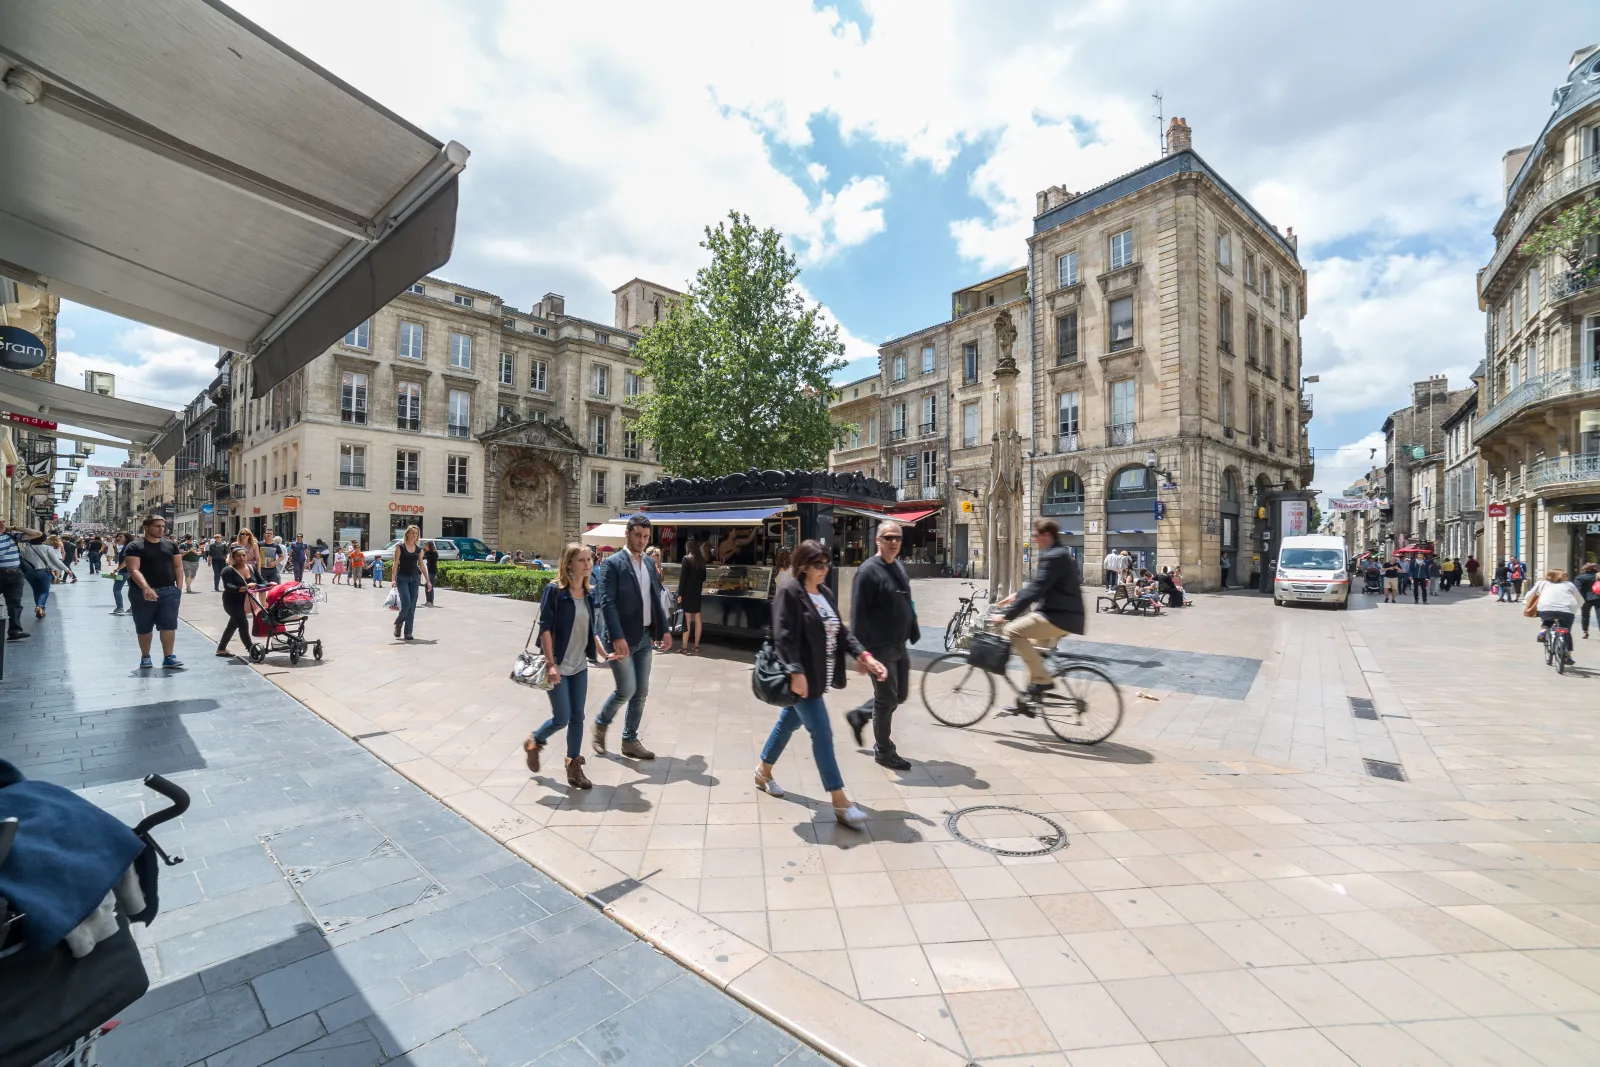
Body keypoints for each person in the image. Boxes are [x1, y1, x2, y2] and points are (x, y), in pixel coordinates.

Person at [754, 539, 887, 830]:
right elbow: (783, 635)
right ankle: (840, 801)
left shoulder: (824, 592)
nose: (825, 568)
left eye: (828, 562)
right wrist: (794, 671)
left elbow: (841, 632)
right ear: (802, 565)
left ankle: (763, 772)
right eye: (819, 564)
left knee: (788, 722)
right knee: (823, 733)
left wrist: (865, 655)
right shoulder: (791, 591)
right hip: (802, 681)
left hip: (818, 678)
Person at [526, 543, 613, 788]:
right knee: (562, 717)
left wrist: (605, 653)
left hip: (579, 667)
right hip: (558, 665)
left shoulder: (588, 593)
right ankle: (535, 740)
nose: (588, 563)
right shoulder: (554, 591)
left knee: (578, 717)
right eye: (582, 559)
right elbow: (545, 629)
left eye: (590, 559)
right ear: (569, 564)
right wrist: (551, 664)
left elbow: (590, 631)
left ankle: (574, 766)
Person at [593, 514, 672, 760]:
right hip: (621, 639)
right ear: (627, 534)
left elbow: (655, 599)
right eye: (638, 535)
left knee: (642, 691)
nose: (642, 540)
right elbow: (607, 603)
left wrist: (665, 629)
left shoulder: (649, 563)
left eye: (646, 536)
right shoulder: (612, 564)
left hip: (644, 637)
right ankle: (601, 724)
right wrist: (616, 636)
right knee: (626, 690)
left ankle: (629, 740)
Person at [845, 521, 920, 770]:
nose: (893, 542)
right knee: (887, 699)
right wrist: (862, 654)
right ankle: (884, 751)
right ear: (878, 540)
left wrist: (913, 628)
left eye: (897, 538)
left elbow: (907, 601)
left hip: (899, 645)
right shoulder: (867, 571)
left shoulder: (898, 566)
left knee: (899, 695)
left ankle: (859, 715)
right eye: (888, 537)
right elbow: (857, 614)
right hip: (879, 647)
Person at [990, 519, 1086, 709]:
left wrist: (1006, 616)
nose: (1034, 540)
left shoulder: (1053, 556)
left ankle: (1042, 681)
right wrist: (1016, 595)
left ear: (1046, 535)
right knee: (1032, 652)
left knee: (1012, 631)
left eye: (1036, 536)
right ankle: (1029, 699)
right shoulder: (1058, 553)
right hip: (1063, 614)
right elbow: (1041, 585)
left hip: (1058, 617)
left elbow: (1037, 589)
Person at [124, 515, 184, 669]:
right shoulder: (135, 546)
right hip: (141, 593)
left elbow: (178, 566)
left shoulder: (171, 545)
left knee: (169, 625)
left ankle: (168, 656)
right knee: (144, 625)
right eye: (157, 526)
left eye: (163, 526)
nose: (161, 529)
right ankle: (145, 656)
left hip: (169, 591)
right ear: (146, 527)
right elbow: (133, 569)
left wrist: (179, 588)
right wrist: (145, 587)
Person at [1530, 568, 1581, 666]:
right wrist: (1578, 606)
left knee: (1548, 620)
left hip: (1546, 609)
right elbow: (1579, 598)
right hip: (1567, 610)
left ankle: (1543, 631)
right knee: (1566, 631)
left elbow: (1531, 594)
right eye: (1565, 575)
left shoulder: (1543, 584)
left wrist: (1525, 604)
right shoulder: (1569, 585)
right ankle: (1567, 655)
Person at [0, 518, 40, 641]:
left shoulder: (12, 536)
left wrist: (14, 528)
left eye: (2, 522)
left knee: (15, 604)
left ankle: (15, 631)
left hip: (15, 574)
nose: (2, 524)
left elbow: (37, 534)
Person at [216, 547, 259, 659]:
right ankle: (250, 648)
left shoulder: (251, 568)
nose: (241, 558)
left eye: (243, 555)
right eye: (238, 556)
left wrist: (270, 584)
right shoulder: (227, 570)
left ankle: (221, 649)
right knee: (243, 624)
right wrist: (242, 588)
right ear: (233, 557)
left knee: (233, 625)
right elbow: (228, 586)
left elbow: (260, 580)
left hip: (245, 601)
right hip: (231, 602)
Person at [391, 525, 432, 640]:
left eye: (416, 533)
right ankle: (398, 622)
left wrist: (428, 581)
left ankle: (408, 632)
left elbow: (422, 565)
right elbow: (395, 563)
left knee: (412, 607)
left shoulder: (418, 549)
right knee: (407, 604)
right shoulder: (400, 547)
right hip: (402, 578)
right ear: (407, 534)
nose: (415, 535)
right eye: (413, 533)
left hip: (414, 579)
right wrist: (393, 579)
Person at [677, 537, 707, 655]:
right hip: (697, 592)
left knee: (687, 619)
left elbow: (683, 578)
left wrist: (680, 594)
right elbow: (703, 578)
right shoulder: (702, 560)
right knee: (698, 618)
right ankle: (696, 645)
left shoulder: (686, 559)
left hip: (687, 592)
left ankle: (684, 647)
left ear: (688, 547)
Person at [18, 534, 60, 620]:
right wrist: (67, 570)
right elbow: (56, 561)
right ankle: (39, 605)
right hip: (43, 571)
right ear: (43, 540)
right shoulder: (48, 548)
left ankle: (40, 611)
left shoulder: (25, 549)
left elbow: (22, 560)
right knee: (45, 591)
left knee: (36, 591)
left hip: (29, 573)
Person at [109, 532, 132, 615]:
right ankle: (132, 608)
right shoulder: (128, 546)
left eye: (121, 537)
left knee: (116, 589)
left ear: (126, 538)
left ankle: (120, 607)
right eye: (118, 536)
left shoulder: (127, 547)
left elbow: (126, 561)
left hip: (123, 571)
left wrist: (117, 569)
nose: (118, 538)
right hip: (130, 571)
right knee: (132, 589)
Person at [1577, 563, 1600, 639]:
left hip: (1585, 599)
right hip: (1598, 597)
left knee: (1585, 616)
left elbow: (1578, 589)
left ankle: (1585, 632)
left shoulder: (1580, 577)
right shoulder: (1598, 576)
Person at [423, 540, 439, 605]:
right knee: (426, 585)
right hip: (426, 571)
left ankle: (431, 601)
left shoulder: (434, 553)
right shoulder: (426, 552)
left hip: (432, 571)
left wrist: (426, 555)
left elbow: (432, 559)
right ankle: (427, 601)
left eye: (426, 545)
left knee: (430, 585)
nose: (425, 546)